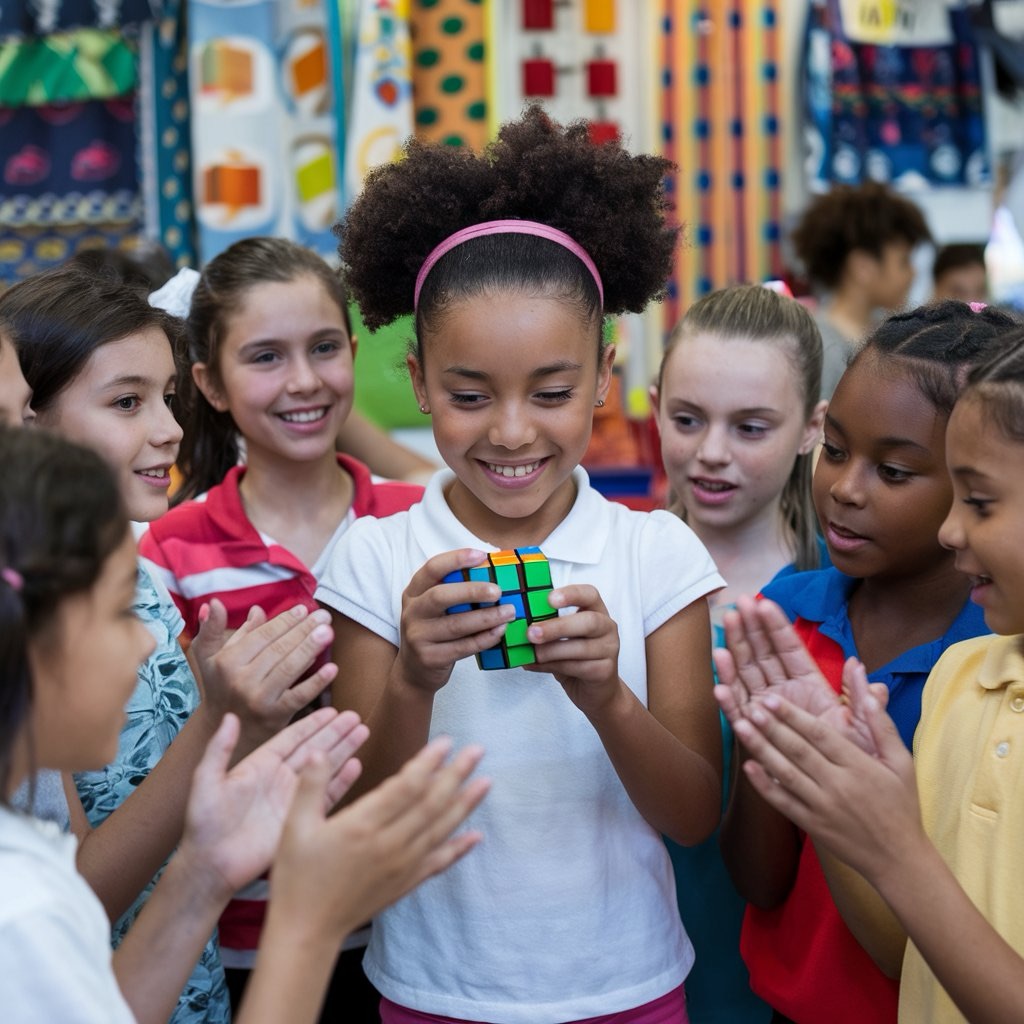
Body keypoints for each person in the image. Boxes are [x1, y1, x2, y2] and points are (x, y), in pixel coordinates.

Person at [316, 105, 725, 1023]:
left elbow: (696, 814)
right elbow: (356, 821)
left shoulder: (656, 552)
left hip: (628, 986)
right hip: (432, 991)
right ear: (419, 382)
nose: (510, 432)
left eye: (552, 393)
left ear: (605, 378)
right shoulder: (375, 556)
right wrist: (415, 679)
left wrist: (606, 696)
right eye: (468, 395)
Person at [0, 423, 490, 1024]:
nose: (141, 645)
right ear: (26, 639)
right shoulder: (19, 914)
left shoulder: (26, 857)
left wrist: (204, 870)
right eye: (116, 614)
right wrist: (310, 921)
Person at [1, 266, 341, 1023]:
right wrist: (215, 724)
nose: (171, 429)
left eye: (167, 398)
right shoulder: (31, 610)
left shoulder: (142, 564)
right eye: (128, 403)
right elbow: (73, 891)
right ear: (30, 421)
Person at [138, 235, 425, 1015]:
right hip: (237, 939)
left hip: (408, 933)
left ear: (354, 354)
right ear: (211, 383)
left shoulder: (418, 523)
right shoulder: (171, 551)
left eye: (324, 348)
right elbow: (157, 767)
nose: (304, 381)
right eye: (265, 357)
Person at [710, 328, 1024, 1022]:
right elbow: (762, 884)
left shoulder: (972, 654)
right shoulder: (790, 614)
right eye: (837, 450)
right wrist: (789, 758)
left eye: (895, 471)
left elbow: (911, 935)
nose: (845, 489)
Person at [648, 283, 827, 1023]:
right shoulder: (611, 573)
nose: (711, 454)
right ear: (654, 402)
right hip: (629, 975)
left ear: (813, 428)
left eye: (751, 428)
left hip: (776, 982)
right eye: (687, 420)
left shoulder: (836, 597)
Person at [790, 181, 932, 399]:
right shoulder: (824, 351)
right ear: (862, 267)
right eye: (904, 261)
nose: (912, 273)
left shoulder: (883, 333)